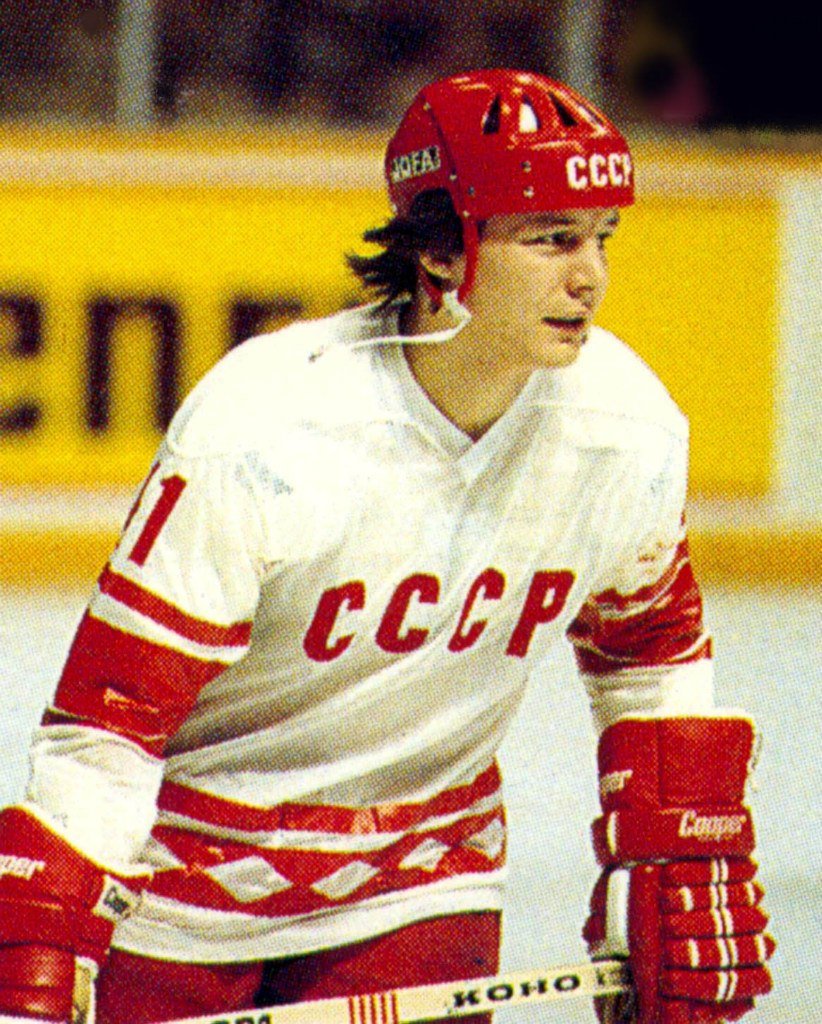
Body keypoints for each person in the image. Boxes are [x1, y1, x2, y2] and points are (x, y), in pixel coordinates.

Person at [0, 69, 774, 1024]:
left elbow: (648, 651)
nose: (590, 277)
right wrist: (46, 932)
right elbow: (111, 721)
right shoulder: (267, 426)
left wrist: (673, 857)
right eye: (550, 239)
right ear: (443, 251)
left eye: (601, 237)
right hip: (179, 896)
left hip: (423, 885)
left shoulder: (627, 428)